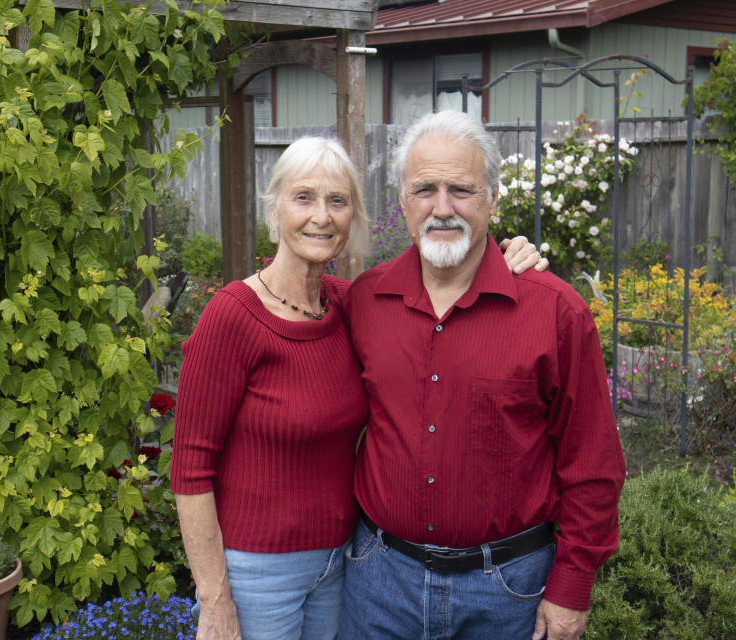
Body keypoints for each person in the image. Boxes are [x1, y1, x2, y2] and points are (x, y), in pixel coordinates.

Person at [169, 136, 545, 640]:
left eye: (338, 201)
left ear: (353, 217)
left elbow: (447, 280)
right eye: (304, 198)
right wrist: (213, 599)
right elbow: (190, 469)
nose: (321, 216)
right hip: (257, 574)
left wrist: (509, 254)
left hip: (343, 567)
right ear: (274, 207)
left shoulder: (352, 305)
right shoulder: (233, 316)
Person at [337, 111, 626, 640]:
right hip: (379, 583)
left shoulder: (555, 313)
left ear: (493, 198)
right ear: (402, 201)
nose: (442, 208)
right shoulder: (364, 303)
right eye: (424, 189)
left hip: (507, 590)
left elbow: (594, 464)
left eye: (462, 190)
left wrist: (572, 588)